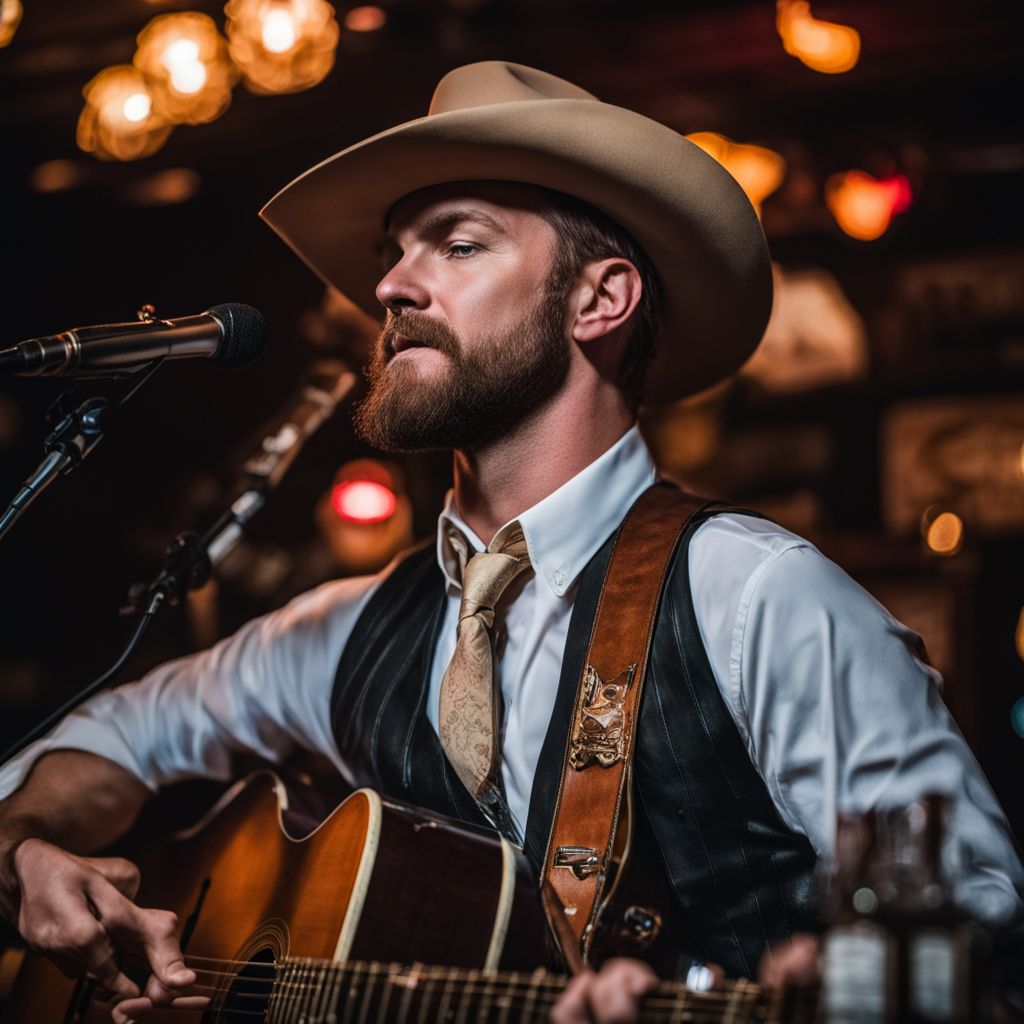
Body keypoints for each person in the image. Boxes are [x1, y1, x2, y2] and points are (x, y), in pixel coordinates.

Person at [0, 62, 1021, 1024]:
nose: (391, 288)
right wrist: (28, 857)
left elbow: (974, 928)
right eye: (390, 256)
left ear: (598, 299)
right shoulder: (339, 631)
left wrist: (842, 979)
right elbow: (111, 737)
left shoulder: (760, 598)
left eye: (457, 243)